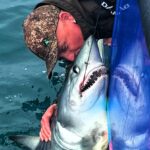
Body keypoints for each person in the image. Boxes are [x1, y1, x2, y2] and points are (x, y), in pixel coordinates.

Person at [23, 0, 115, 142]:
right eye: (60, 56)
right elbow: (73, 71)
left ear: (67, 17)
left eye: (65, 47)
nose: (70, 57)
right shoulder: (75, 38)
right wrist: (59, 105)